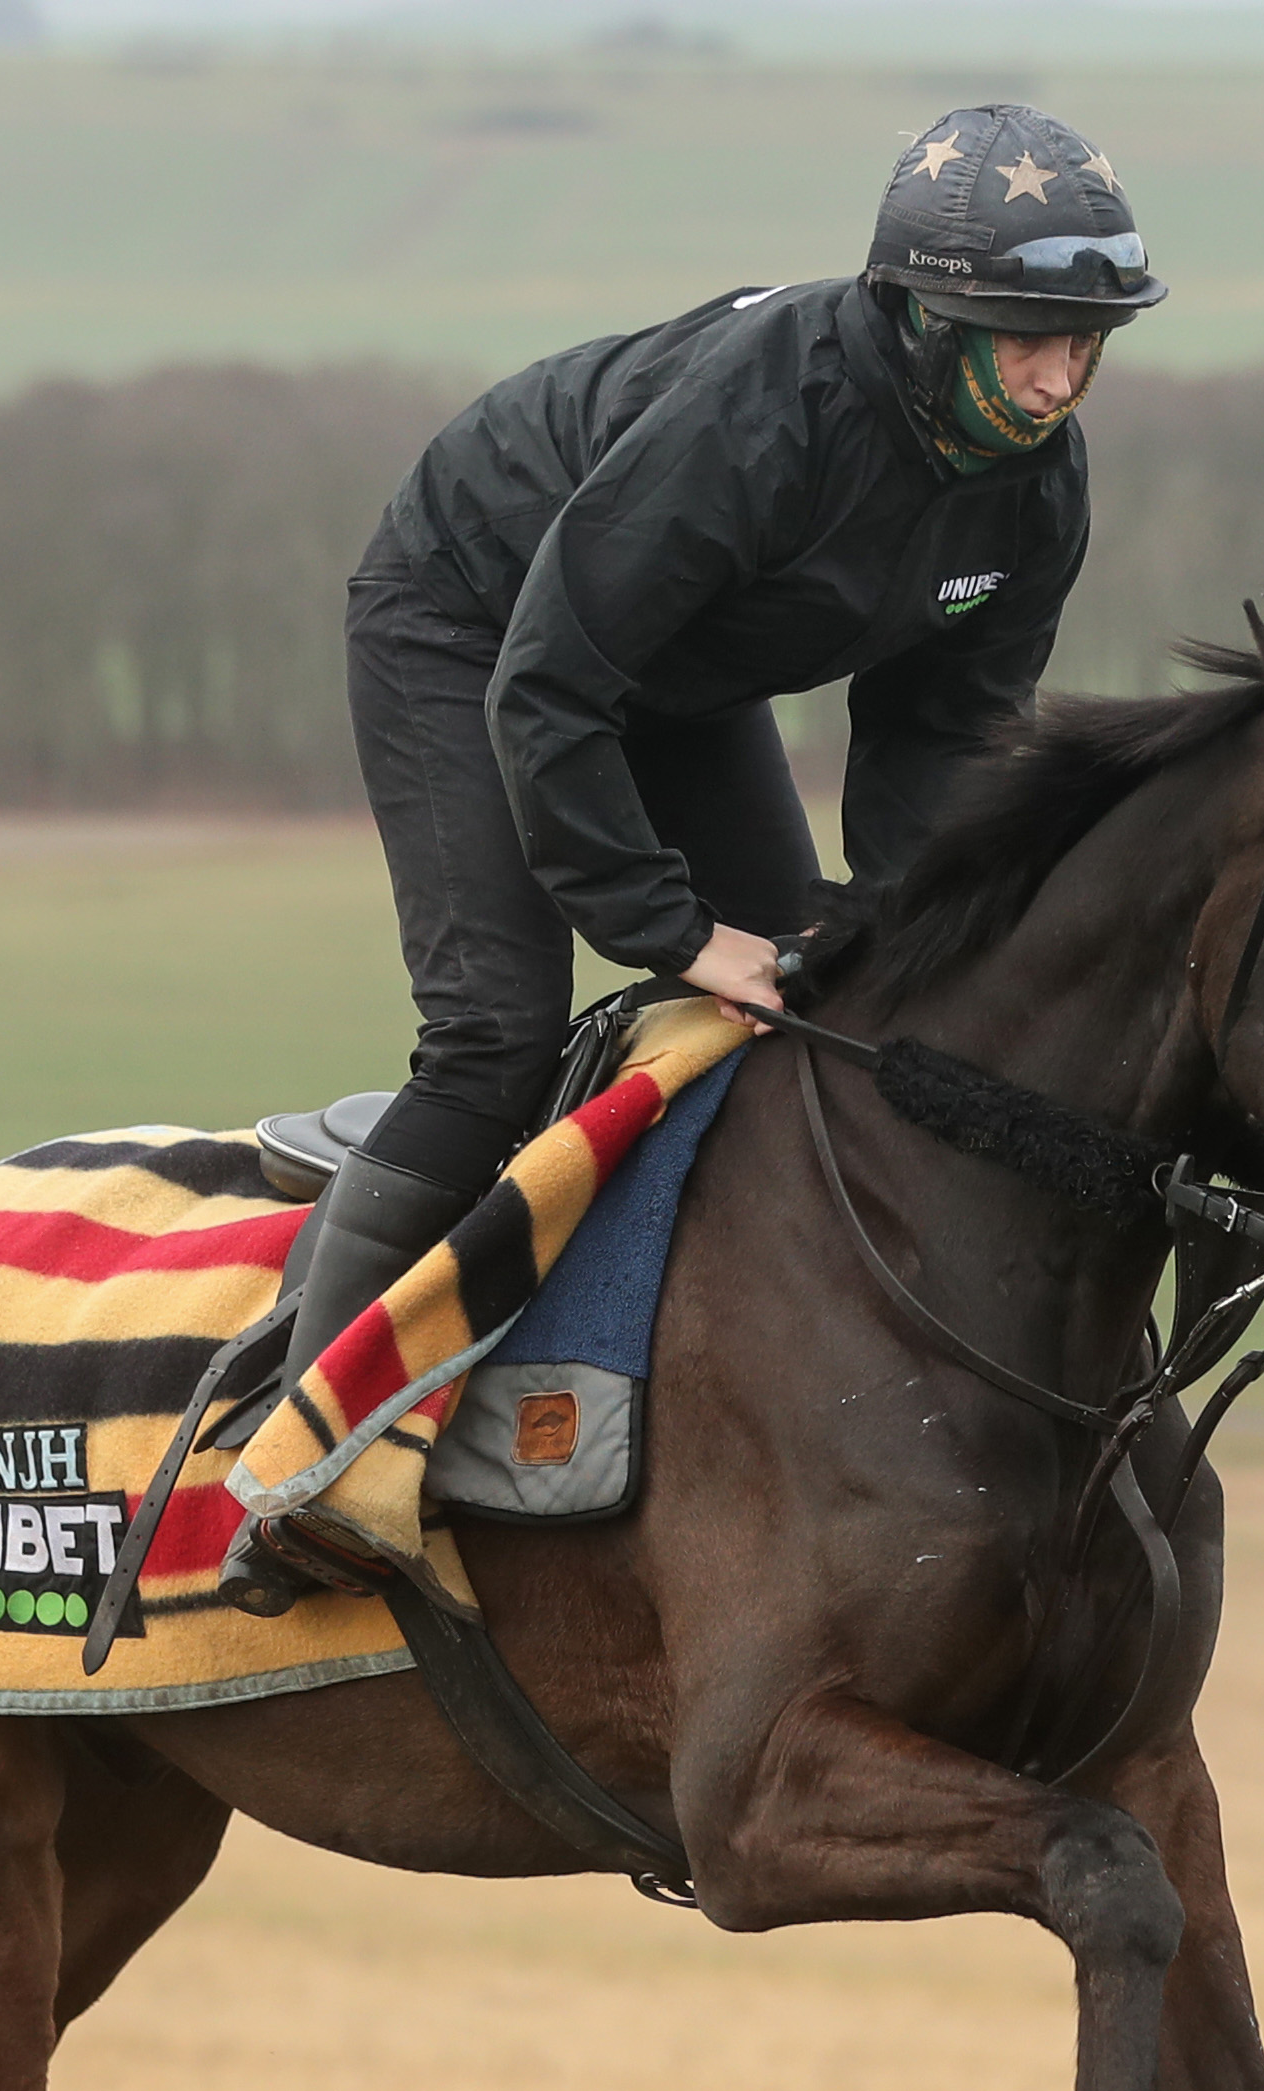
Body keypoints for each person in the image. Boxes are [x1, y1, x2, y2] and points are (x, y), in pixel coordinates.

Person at [230, 103, 1166, 1608]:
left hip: (673, 674)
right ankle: (293, 1460)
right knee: (493, 1033)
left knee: (816, 999)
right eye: (1028, 338)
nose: (1063, 378)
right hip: (474, 622)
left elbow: (944, 737)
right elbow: (547, 688)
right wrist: (668, 931)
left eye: (1091, 341)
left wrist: (918, 939)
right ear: (927, 319)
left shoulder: (1036, 483)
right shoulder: (763, 416)